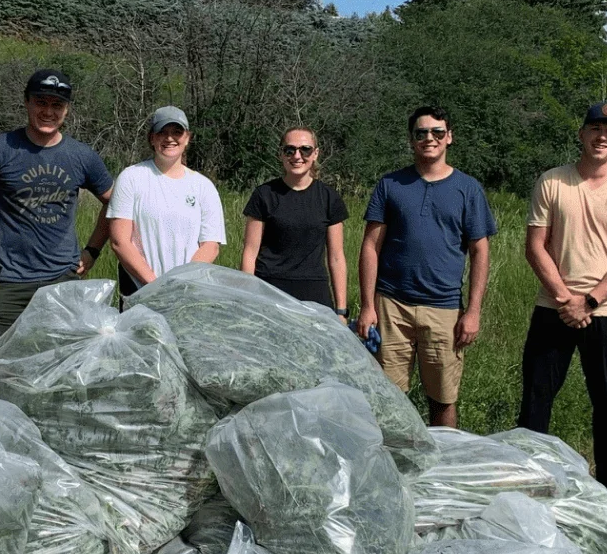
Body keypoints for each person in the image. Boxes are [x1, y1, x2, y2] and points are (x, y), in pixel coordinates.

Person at [518, 102, 607, 495]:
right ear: (581, 134)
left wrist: (589, 301)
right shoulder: (552, 182)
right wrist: (565, 298)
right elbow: (535, 247)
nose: (602, 137)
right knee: (535, 400)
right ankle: (528, 484)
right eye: (595, 128)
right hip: (553, 308)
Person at [0, 70, 115, 383]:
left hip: (63, 280)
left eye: (57, 105)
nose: (48, 111)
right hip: (9, 280)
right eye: (41, 102)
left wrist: (93, 250)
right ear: (26, 102)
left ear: (66, 110)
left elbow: (114, 202)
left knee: (68, 370)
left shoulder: (81, 156)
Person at [356, 106, 495, 427]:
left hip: (444, 309)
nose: (429, 139)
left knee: (443, 399)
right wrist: (367, 306)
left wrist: (473, 311)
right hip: (391, 307)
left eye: (437, 132)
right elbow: (370, 246)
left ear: (449, 137)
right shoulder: (390, 184)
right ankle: (391, 466)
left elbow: (480, 252)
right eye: (421, 133)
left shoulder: (468, 189)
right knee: (387, 399)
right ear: (411, 139)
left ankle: (443, 469)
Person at [107, 107, 225, 296]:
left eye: (177, 132)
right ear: (152, 138)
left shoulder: (204, 186)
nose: (170, 138)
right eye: (162, 132)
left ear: (187, 138)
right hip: (140, 292)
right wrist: (156, 286)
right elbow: (120, 242)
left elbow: (210, 245)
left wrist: (181, 285)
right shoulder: (131, 178)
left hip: (187, 293)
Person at [240, 128, 348, 311]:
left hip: (314, 292)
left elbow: (337, 257)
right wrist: (248, 300)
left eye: (305, 149)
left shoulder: (329, 197)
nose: (297, 156)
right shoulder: (264, 195)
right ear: (281, 154)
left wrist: (341, 309)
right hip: (268, 289)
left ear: (315, 154)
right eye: (290, 150)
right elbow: (250, 253)